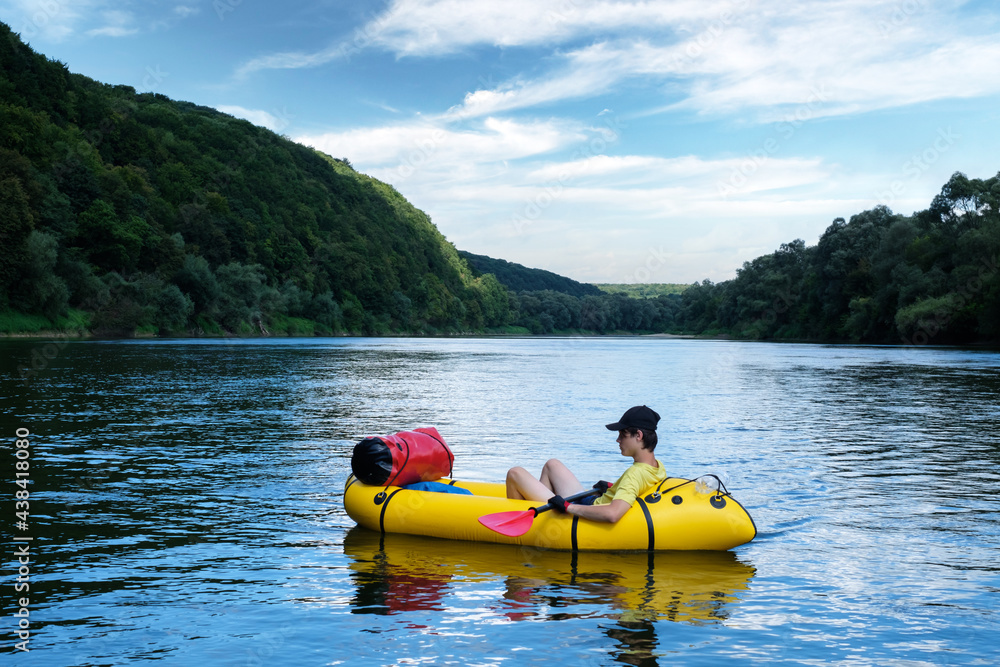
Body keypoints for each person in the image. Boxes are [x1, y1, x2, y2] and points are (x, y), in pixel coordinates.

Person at [505, 405, 667, 523]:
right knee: (551, 465)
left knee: (515, 473)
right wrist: (613, 487)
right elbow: (639, 486)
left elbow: (613, 514)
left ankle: (517, 524)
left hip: (587, 510)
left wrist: (568, 507)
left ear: (638, 435)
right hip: (592, 501)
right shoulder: (657, 466)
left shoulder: (635, 474)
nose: (618, 440)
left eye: (622, 435)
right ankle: (538, 518)